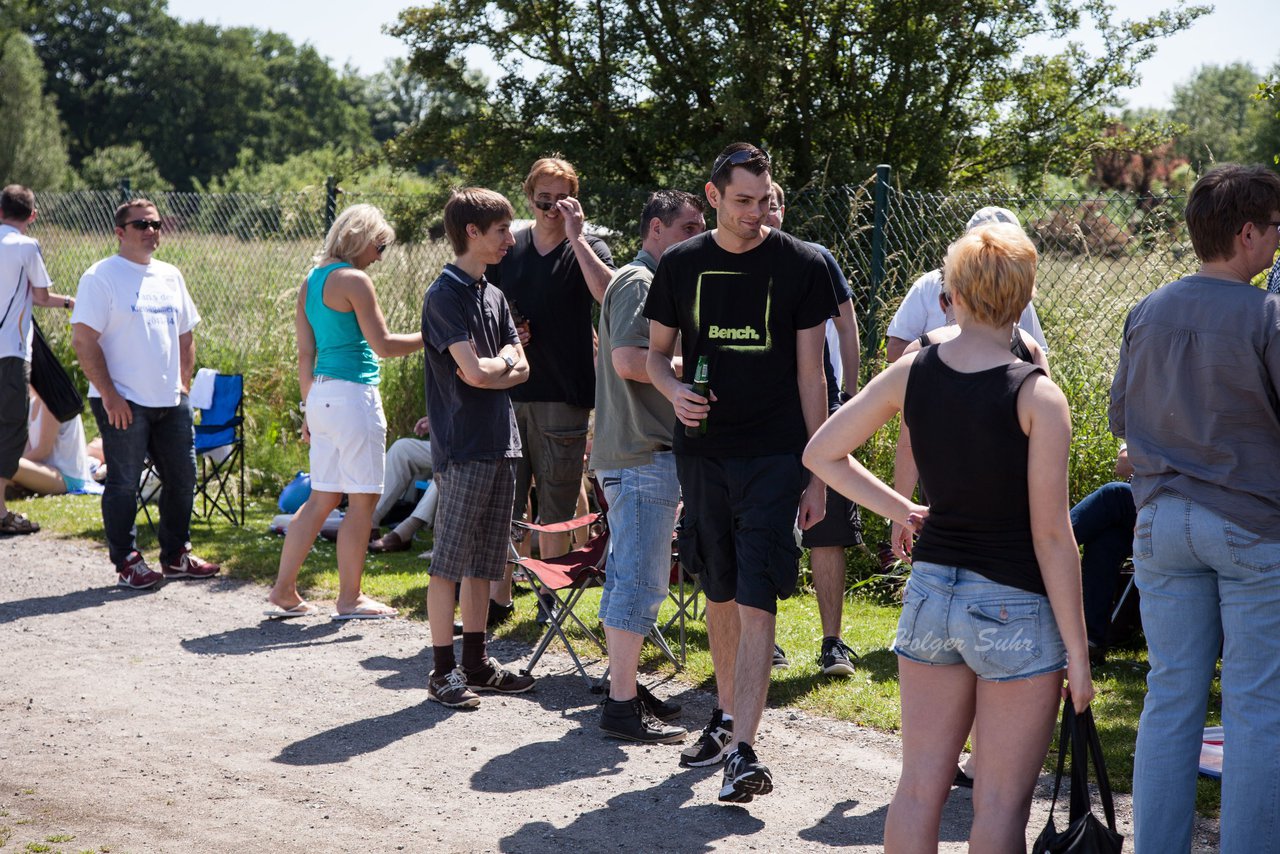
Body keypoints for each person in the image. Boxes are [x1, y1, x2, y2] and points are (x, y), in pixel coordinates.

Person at [804, 221, 1092, 849]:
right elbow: (1051, 535)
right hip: (1015, 603)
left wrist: (904, 510)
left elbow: (822, 453)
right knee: (998, 806)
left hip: (931, 593)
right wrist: (1078, 649)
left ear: (951, 294)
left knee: (917, 789)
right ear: (1025, 296)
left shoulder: (914, 369)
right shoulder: (1039, 396)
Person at [645, 143, 837, 802]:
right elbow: (652, 357)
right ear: (714, 196)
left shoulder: (803, 266)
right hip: (701, 453)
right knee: (720, 589)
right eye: (743, 201)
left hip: (776, 455)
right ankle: (727, 723)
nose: (757, 214)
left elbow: (813, 374)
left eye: (765, 200)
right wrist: (675, 394)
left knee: (757, 595)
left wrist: (818, 469)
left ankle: (746, 750)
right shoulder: (681, 264)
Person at [1110, 163, 1280, 852]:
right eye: (1275, 229)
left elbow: (1122, 418)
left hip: (1159, 521)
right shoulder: (1267, 314)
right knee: (1256, 707)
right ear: (1246, 233)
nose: (1277, 242)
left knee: (1171, 699)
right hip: (1249, 525)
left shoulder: (1145, 309)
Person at [266, 204, 423, 619]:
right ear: (361, 237)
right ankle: (350, 598)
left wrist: (308, 411)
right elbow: (384, 346)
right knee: (362, 501)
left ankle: (284, 590)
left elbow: (306, 353)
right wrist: (436, 334)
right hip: (354, 397)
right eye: (380, 245)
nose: (380, 255)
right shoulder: (355, 280)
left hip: (320, 396)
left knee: (321, 498)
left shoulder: (310, 282)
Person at [593, 189, 705, 743]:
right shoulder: (642, 281)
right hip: (642, 454)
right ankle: (619, 707)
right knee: (641, 581)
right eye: (688, 227)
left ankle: (626, 689)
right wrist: (707, 365)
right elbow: (630, 360)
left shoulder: (639, 279)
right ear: (656, 229)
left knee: (629, 578)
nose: (698, 236)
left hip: (634, 453)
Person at [422, 187, 534, 708]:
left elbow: (517, 367)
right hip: (463, 447)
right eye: (501, 231)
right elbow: (472, 372)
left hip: (502, 444)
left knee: (485, 564)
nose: (510, 240)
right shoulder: (444, 296)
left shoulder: (493, 294)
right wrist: (501, 364)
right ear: (471, 232)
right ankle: (442, 671)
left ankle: (475, 662)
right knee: (449, 562)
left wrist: (499, 367)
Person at [487, 157, 615, 614]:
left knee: (559, 503)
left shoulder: (589, 244)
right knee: (505, 502)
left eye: (561, 199)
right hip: (508, 391)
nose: (551, 208)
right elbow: (485, 307)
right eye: (543, 198)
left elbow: (607, 294)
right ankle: (498, 600)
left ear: (574, 199)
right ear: (528, 196)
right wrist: (508, 333)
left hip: (564, 393)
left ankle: (549, 598)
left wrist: (577, 236)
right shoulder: (509, 246)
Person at [71, 199, 221, 588]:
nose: (151, 231)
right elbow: (84, 341)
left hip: (170, 400)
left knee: (183, 476)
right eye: (141, 224)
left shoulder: (170, 275)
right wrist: (110, 394)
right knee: (124, 481)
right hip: (123, 400)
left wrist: (184, 386)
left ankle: (175, 556)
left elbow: (186, 335)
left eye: (156, 224)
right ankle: (127, 561)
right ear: (120, 232)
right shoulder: (100, 277)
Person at [765, 182, 863, 677]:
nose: (768, 211)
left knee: (828, 531)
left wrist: (850, 397)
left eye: (775, 202)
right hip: (764, 423)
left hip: (821, 415)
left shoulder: (816, 257)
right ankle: (770, 642)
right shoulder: (730, 260)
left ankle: (832, 643)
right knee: (765, 528)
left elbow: (846, 325)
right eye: (759, 201)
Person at [0, 185, 76, 533]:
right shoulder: (26, 246)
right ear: (32, 215)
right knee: (11, 427)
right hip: (10, 352)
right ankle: (1, 512)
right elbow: (42, 297)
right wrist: (70, 302)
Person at [884, 206, 1048, 363]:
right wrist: (947, 360)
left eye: (1005, 251)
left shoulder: (1016, 292)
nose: (992, 261)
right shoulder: (929, 285)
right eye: (984, 250)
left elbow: (1035, 355)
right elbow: (894, 349)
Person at [1069, 446, 1137, 665]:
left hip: (1181, 502)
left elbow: (1127, 458)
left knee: (1113, 494)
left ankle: (1038, 550)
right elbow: (1126, 455)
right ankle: (1092, 642)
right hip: (1149, 500)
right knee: (1105, 541)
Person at [15, 386, 104, 496]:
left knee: (8, 464)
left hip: (67, 478)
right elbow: (28, 450)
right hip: (44, 472)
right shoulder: (32, 403)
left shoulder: (54, 399)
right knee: (9, 462)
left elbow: (43, 451)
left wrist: (12, 465)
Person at [367, 416, 436, 553]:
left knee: (449, 466)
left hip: (480, 453)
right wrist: (437, 421)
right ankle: (368, 522)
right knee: (402, 448)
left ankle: (405, 531)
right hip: (455, 444)